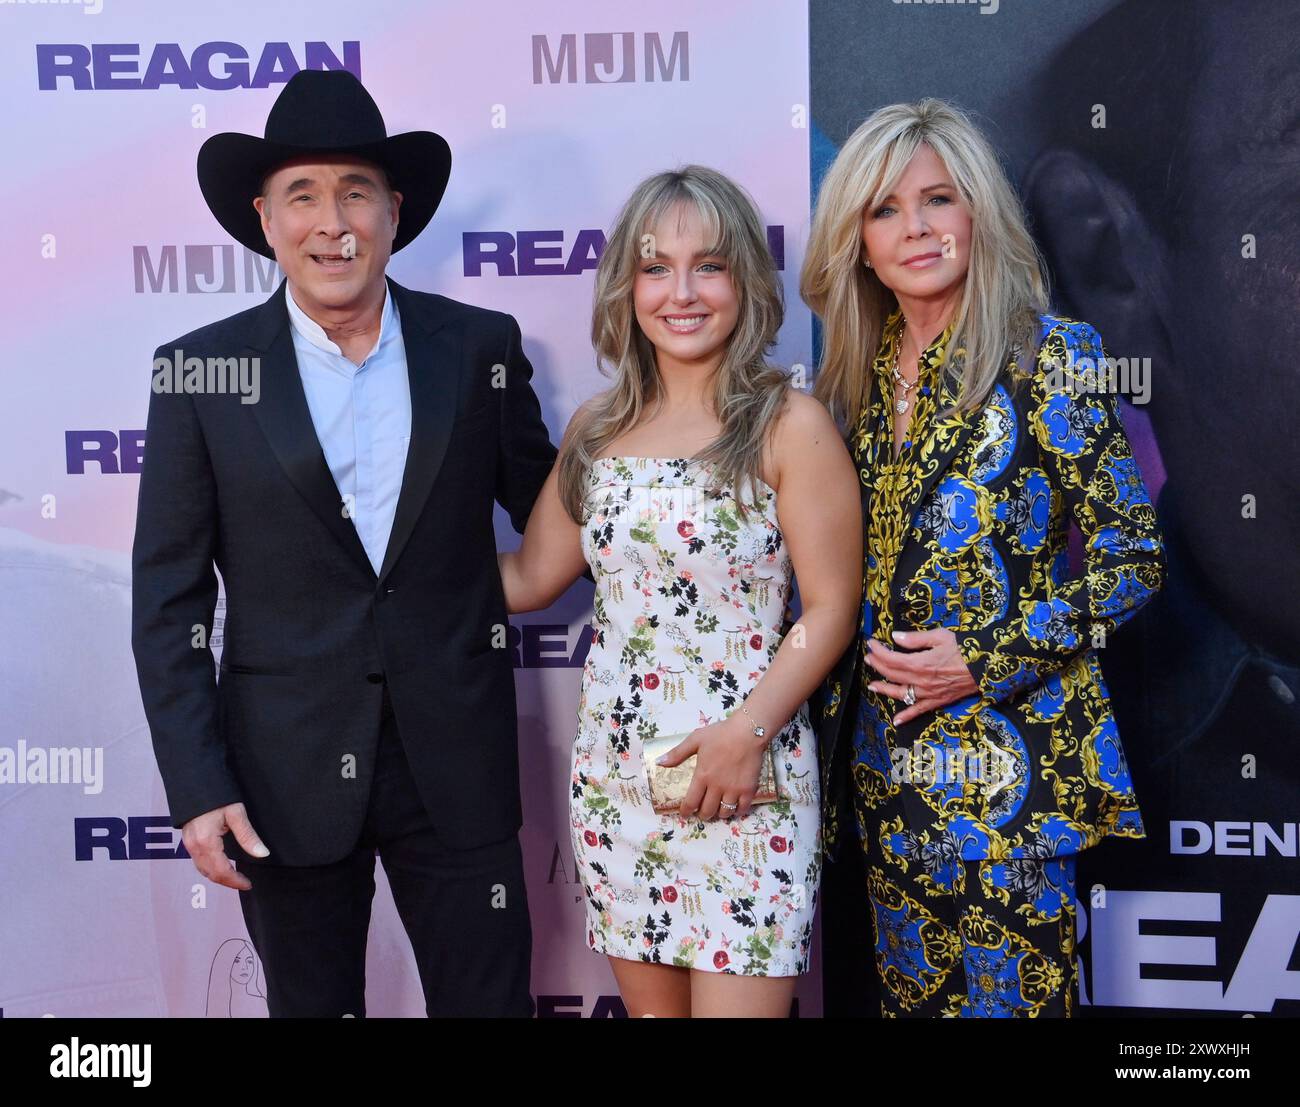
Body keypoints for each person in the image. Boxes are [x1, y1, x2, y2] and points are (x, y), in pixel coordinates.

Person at [131, 70, 557, 1017]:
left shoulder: (478, 347)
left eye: (356, 192)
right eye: (304, 195)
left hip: (457, 763)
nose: (334, 222)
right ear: (265, 218)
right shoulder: (200, 373)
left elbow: (558, 511)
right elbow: (169, 600)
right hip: (282, 778)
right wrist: (197, 784)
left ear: (394, 212)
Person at [801, 99, 1165, 1017]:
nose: (916, 228)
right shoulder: (853, 380)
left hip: (1013, 778)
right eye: (885, 209)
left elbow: (1133, 556)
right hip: (884, 776)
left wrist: (986, 656)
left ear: (979, 214)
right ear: (857, 242)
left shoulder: (1055, 356)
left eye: (939, 199)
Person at [497, 166, 862, 1017]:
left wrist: (747, 733)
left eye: (710, 265)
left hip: (747, 784)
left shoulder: (787, 423)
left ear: (745, 282)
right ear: (627, 287)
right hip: (621, 789)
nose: (682, 292)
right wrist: (366, 557)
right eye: (657, 267)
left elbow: (832, 608)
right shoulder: (596, 430)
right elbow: (525, 578)